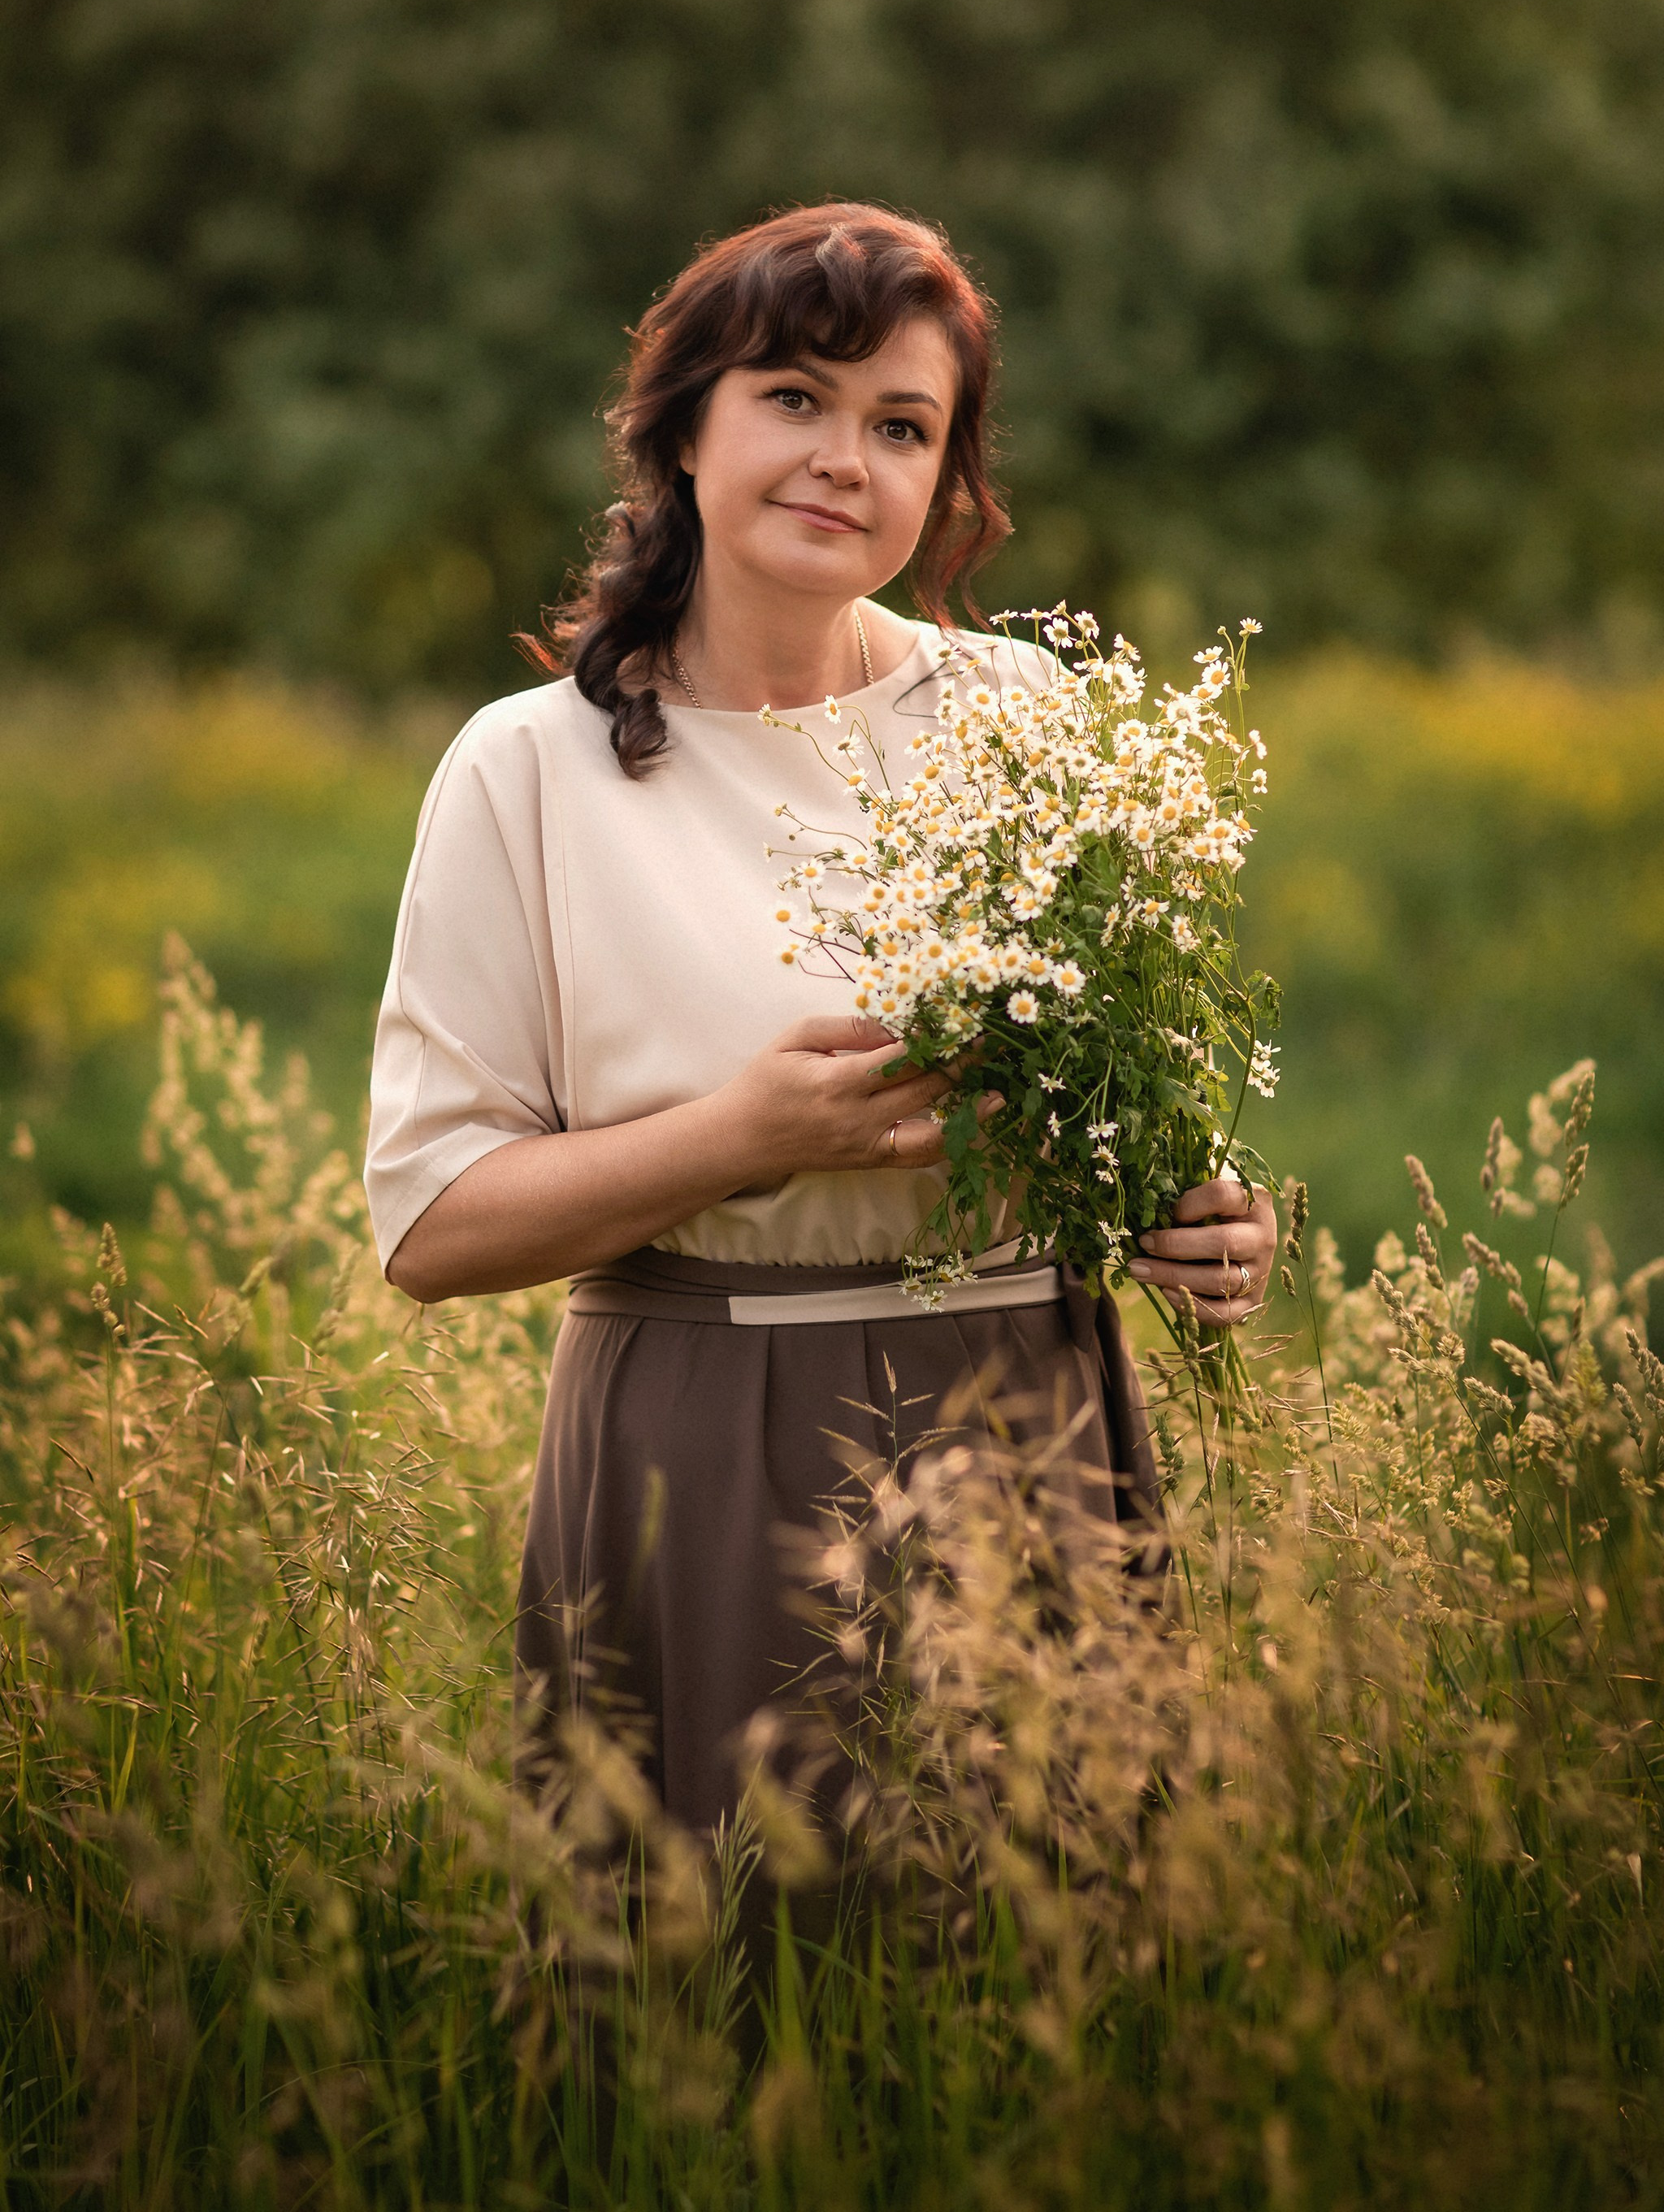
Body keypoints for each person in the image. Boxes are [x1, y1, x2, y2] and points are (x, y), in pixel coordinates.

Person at [364, 202, 1276, 1835]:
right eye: (794, 397)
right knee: (723, 2001)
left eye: (901, 425)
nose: (843, 456)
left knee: (1053, 2000)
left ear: (947, 479)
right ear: (683, 427)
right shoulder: (530, 768)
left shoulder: (1025, 720)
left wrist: (1192, 1225)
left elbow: (1131, 1120)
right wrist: (744, 1139)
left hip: (1035, 1420)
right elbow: (431, 1227)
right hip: (702, 1447)